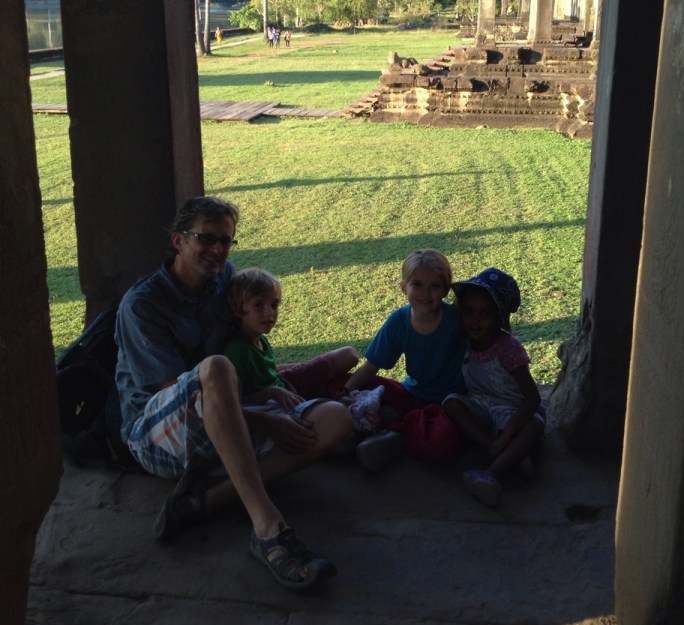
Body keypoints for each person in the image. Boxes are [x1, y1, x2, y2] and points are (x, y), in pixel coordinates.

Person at [114, 196, 349, 591]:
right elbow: (180, 390)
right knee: (217, 367)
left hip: (226, 416)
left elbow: (243, 353)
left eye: (226, 241)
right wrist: (261, 417)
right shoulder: (143, 305)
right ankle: (268, 529)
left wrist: (270, 391)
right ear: (178, 241)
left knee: (336, 419)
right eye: (207, 239)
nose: (218, 250)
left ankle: (202, 503)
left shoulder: (225, 280)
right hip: (157, 433)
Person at [223, 267, 399, 468]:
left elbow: (269, 371)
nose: (269, 313)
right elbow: (230, 403)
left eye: (274, 304)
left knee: (347, 357)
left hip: (287, 393)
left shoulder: (259, 340)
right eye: (258, 306)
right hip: (272, 409)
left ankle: (360, 421)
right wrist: (271, 392)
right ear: (238, 309)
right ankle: (370, 433)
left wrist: (305, 371)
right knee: (344, 438)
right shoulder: (237, 350)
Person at [342, 248, 465, 463]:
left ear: (446, 290)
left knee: (443, 442)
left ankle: (393, 431)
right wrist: (343, 393)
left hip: (448, 403)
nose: (426, 294)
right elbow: (371, 366)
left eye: (434, 286)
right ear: (403, 288)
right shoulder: (399, 320)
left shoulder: (456, 321)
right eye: (417, 284)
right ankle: (401, 426)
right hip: (411, 393)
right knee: (341, 382)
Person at [443, 268, 546, 507]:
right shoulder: (464, 341)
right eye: (468, 311)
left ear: (499, 318)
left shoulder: (508, 348)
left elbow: (532, 398)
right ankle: (501, 449)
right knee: (451, 403)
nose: (474, 320)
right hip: (480, 405)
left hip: (512, 411)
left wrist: (510, 431)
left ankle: (491, 472)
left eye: (485, 314)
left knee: (535, 424)